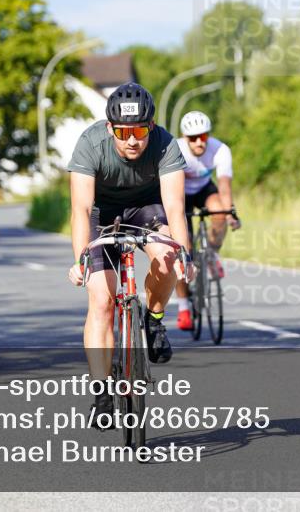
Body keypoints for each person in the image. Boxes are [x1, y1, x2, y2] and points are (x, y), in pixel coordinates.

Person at [66, 82, 194, 423]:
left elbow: (174, 206)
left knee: (167, 259)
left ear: (150, 126)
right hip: (100, 214)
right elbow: (80, 209)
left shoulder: (166, 144)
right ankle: (101, 394)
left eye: (139, 130)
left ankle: (153, 321)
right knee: (102, 301)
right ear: (110, 128)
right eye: (123, 132)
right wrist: (81, 258)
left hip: (146, 207)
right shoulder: (90, 144)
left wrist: (183, 255)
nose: (132, 140)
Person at [174, 111, 240, 330]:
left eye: (203, 136)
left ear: (208, 135)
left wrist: (230, 213)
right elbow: (172, 189)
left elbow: (224, 186)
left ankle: (211, 254)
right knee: (183, 250)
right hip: (180, 193)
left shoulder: (220, 149)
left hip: (204, 189)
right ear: (185, 137)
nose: (199, 142)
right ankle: (184, 307)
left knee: (219, 211)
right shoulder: (177, 150)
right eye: (193, 138)